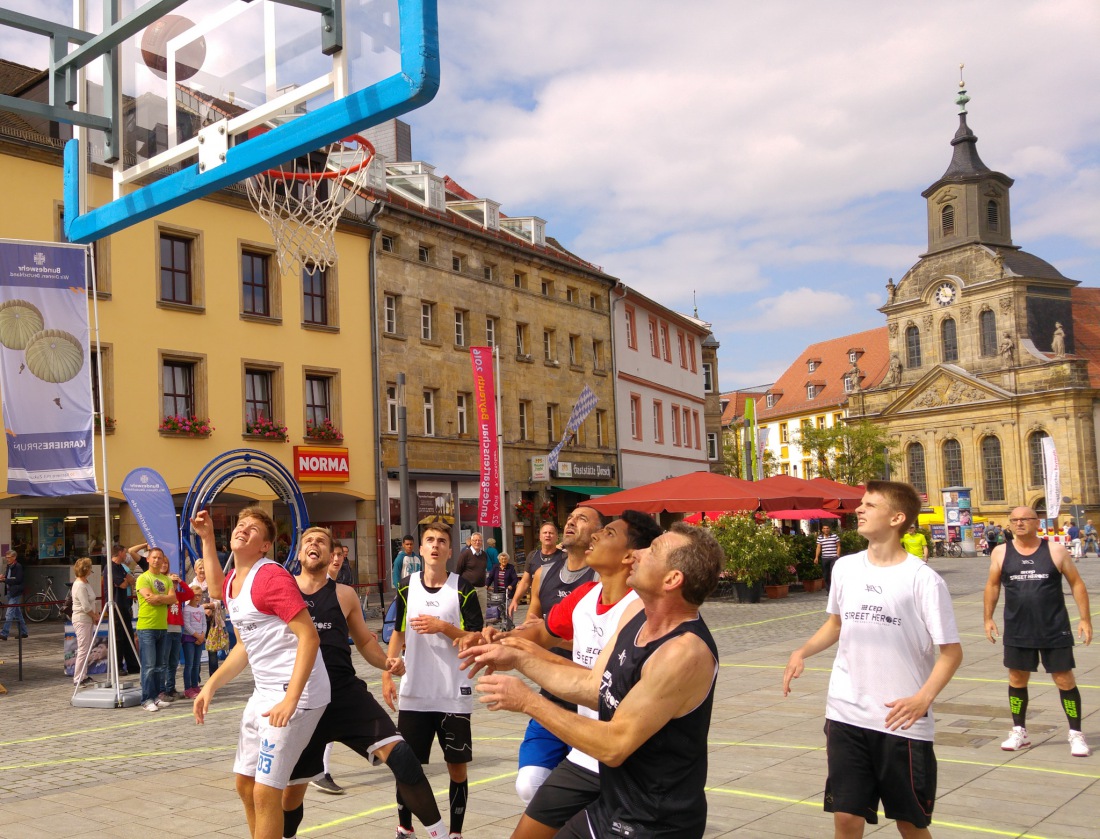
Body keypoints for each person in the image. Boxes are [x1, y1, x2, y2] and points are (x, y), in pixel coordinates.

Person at [464, 521, 725, 839]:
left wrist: (529, 702)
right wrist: (520, 658)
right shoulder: (637, 616)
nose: (637, 554)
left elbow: (614, 744)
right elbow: (593, 687)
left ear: (672, 579)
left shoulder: (684, 653)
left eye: (651, 550)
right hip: (615, 805)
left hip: (653, 824)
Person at [783, 480, 963, 838]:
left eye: (869, 505)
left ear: (897, 518)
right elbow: (836, 624)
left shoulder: (923, 580)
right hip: (846, 711)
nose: (859, 510)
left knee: (910, 824)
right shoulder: (845, 568)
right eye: (860, 504)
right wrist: (801, 651)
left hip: (901, 720)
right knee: (846, 818)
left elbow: (952, 652)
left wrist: (922, 698)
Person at [490, 510, 662, 839]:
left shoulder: (639, 610)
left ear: (630, 556)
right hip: (587, 753)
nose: (594, 536)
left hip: (627, 760)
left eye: (607, 533)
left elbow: (600, 685)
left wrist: (519, 663)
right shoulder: (584, 597)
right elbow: (540, 634)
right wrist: (494, 640)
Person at [280, 526, 450, 839]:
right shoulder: (282, 590)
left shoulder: (344, 595)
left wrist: (387, 662)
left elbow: (364, 643)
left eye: (321, 540)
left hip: (345, 695)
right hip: (302, 700)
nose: (313, 544)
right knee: (291, 794)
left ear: (333, 554)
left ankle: (440, 834)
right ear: (299, 553)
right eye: (308, 541)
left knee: (403, 758)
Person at [191, 507, 330, 839]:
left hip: (298, 692)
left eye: (253, 529)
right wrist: (211, 685)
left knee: (267, 792)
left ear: (265, 545)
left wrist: (290, 701)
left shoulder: (271, 577)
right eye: (240, 525)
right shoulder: (233, 583)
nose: (243, 529)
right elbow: (243, 646)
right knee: (245, 783)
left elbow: (310, 637)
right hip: (264, 692)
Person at [382, 523, 484, 839]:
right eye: (430, 541)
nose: (435, 545)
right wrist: (387, 673)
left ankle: (454, 833)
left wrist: (444, 626)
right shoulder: (404, 587)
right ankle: (405, 828)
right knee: (406, 766)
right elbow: (397, 631)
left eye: (442, 541)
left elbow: (477, 637)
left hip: (452, 692)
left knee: (457, 767)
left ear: (450, 551)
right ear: (421, 549)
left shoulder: (462, 588)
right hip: (415, 692)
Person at [983, 506, 1092, 757]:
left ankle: (1076, 734)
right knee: (1017, 679)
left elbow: (1077, 584)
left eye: (1025, 519)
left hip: (1053, 627)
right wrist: (988, 618)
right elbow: (992, 586)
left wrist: (1085, 619)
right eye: (1015, 520)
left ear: (1036, 522)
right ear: (1009, 524)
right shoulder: (1000, 552)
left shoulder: (1055, 549)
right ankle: (1019, 731)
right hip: (1018, 627)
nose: (1020, 523)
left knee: (1064, 680)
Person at [511, 507, 601, 805]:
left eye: (583, 518)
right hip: (552, 692)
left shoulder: (602, 578)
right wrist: (498, 641)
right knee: (528, 785)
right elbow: (532, 628)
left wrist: (553, 636)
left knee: (591, 791)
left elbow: (612, 639)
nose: (572, 521)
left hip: (591, 702)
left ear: (598, 535)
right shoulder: (544, 573)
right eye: (571, 517)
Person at [134, 547, 177, 711]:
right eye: (154, 557)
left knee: (160, 665)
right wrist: (163, 598)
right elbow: (149, 598)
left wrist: (159, 597)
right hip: (147, 627)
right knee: (149, 666)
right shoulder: (143, 578)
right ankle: (146, 699)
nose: (157, 560)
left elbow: (173, 598)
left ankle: (156, 696)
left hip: (162, 626)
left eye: (160, 558)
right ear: (148, 559)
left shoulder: (166, 580)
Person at [510, 522, 565, 619]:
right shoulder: (532, 556)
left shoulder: (564, 557)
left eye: (551, 533)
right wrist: (515, 600)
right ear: (540, 537)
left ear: (557, 537)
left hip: (556, 608)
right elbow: (525, 582)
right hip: (536, 607)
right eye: (545, 533)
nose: (547, 535)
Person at [105, 543, 141, 677]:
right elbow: (122, 584)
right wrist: (127, 580)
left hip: (125, 604)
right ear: (119, 553)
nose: (126, 555)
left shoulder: (121, 567)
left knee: (128, 635)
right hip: (115, 605)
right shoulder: (111, 568)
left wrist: (127, 580)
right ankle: (118, 665)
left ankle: (132, 664)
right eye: (124, 553)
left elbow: (131, 580)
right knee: (118, 636)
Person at [71, 556, 98, 687]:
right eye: (90, 568)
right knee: (83, 648)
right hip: (82, 619)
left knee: (86, 647)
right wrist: (94, 616)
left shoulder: (86, 582)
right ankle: (78, 678)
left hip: (88, 619)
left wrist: (95, 615)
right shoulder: (80, 585)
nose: (91, 570)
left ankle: (84, 674)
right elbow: (85, 606)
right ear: (86, 569)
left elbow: (91, 601)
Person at [455, 532, 489, 616]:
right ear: (471, 541)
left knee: (482, 614)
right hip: (469, 588)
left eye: (479, 540)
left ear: (482, 542)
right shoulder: (465, 554)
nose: (477, 542)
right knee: (469, 613)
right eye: (475, 540)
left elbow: (483, 570)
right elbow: (458, 571)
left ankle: (481, 629)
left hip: (481, 588)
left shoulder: (484, 554)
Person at [181, 584, 206, 698]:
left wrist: (202, 635)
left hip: (200, 639)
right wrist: (197, 636)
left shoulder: (201, 608)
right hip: (189, 639)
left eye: (199, 595)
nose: (197, 598)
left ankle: (195, 685)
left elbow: (204, 623)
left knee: (196, 664)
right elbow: (186, 625)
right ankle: (187, 688)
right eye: (195, 595)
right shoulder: (186, 609)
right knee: (189, 664)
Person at [0, 549, 28, 640]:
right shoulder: (9, 566)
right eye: (6, 557)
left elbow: (18, 580)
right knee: (17, 614)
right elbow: (9, 577)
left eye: (9, 557)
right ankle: (24, 632)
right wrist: (3, 578)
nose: (7, 559)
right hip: (9, 592)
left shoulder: (18, 567)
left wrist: (5, 580)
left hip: (15, 592)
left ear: (14, 557)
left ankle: (4, 633)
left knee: (9, 613)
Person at [815, 524, 841, 591]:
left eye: (827, 528)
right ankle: (828, 590)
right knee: (826, 575)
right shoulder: (820, 538)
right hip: (825, 558)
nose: (826, 529)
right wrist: (816, 557)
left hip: (833, 557)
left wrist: (837, 555)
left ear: (829, 529)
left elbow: (838, 546)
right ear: (822, 530)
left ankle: (834, 589)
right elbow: (818, 547)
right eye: (824, 528)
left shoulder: (834, 536)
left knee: (833, 573)